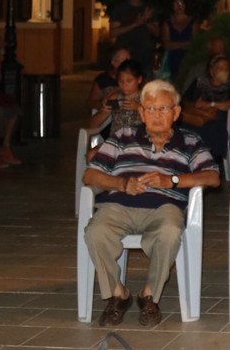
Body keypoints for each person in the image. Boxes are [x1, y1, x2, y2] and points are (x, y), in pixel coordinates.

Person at [82, 80, 220, 327]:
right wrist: (122, 184)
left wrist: (172, 180)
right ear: (142, 113)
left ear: (176, 112)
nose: (157, 115)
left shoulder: (190, 141)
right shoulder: (122, 137)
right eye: (151, 109)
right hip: (119, 204)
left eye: (163, 109)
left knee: (170, 231)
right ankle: (118, 294)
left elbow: (212, 177)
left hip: (165, 207)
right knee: (95, 231)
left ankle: (149, 294)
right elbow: (90, 175)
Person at [180, 54, 230, 164]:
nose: (224, 71)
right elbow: (185, 100)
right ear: (211, 70)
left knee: (215, 129)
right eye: (220, 68)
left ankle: (211, 161)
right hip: (198, 117)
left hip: (219, 120)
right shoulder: (200, 83)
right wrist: (196, 105)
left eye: (226, 68)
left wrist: (211, 104)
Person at [108, 0, 158, 79]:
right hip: (125, 57)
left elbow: (157, 32)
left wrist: (145, 21)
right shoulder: (120, 9)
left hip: (145, 57)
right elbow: (113, 32)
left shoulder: (148, 9)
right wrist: (134, 24)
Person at [158, 0, 197, 81]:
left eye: (181, 3)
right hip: (171, 61)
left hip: (188, 60)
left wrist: (175, 44)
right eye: (176, 3)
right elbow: (166, 45)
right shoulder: (167, 23)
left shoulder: (193, 22)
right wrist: (185, 44)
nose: (179, 6)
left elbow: (195, 44)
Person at [87, 47, 130, 115]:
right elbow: (90, 103)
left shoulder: (136, 78)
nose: (128, 63)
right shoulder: (103, 79)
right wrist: (103, 105)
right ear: (114, 62)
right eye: (124, 60)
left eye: (129, 60)